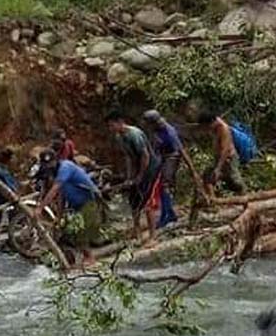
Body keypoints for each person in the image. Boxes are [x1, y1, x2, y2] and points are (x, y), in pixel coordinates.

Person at [35, 150, 103, 266]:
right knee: (70, 231)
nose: (49, 166)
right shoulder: (56, 173)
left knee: (81, 232)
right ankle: (80, 257)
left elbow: (55, 189)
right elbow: (62, 195)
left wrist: (40, 208)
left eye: (50, 163)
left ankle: (90, 259)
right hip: (75, 205)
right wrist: (59, 216)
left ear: (56, 160)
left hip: (88, 201)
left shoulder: (65, 167)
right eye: (46, 165)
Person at [105, 110, 161, 242]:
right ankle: (137, 233)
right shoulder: (119, 137)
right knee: (134, 201)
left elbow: (145, 156)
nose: (110, 128)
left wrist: (140, 176)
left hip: (150, 169)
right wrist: (130, 177)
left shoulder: (134, 134)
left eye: (112, 125)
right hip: (137, 169)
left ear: (120, 122)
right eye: (109, 126)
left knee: (148, 202)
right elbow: (129, 158)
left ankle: (153, 236)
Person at [143, 110, 181, 228]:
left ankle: (167, 215)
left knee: (165, 185)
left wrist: (192, 171)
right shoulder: (155, 130)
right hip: (162, 157)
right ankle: (170, 213)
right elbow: (155, 146)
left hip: (172, 156)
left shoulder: (169, 131)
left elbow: (180, 149)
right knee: (159, 186)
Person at [199, 110, 246, 197]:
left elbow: (225, 150)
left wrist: (218, 168)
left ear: (212, 122)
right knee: (208, 176)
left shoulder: (223, 128)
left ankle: (245, 201)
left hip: (229, 159)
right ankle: (213, 203)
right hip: (220, 158)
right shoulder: (215, 128)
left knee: (235, 181)